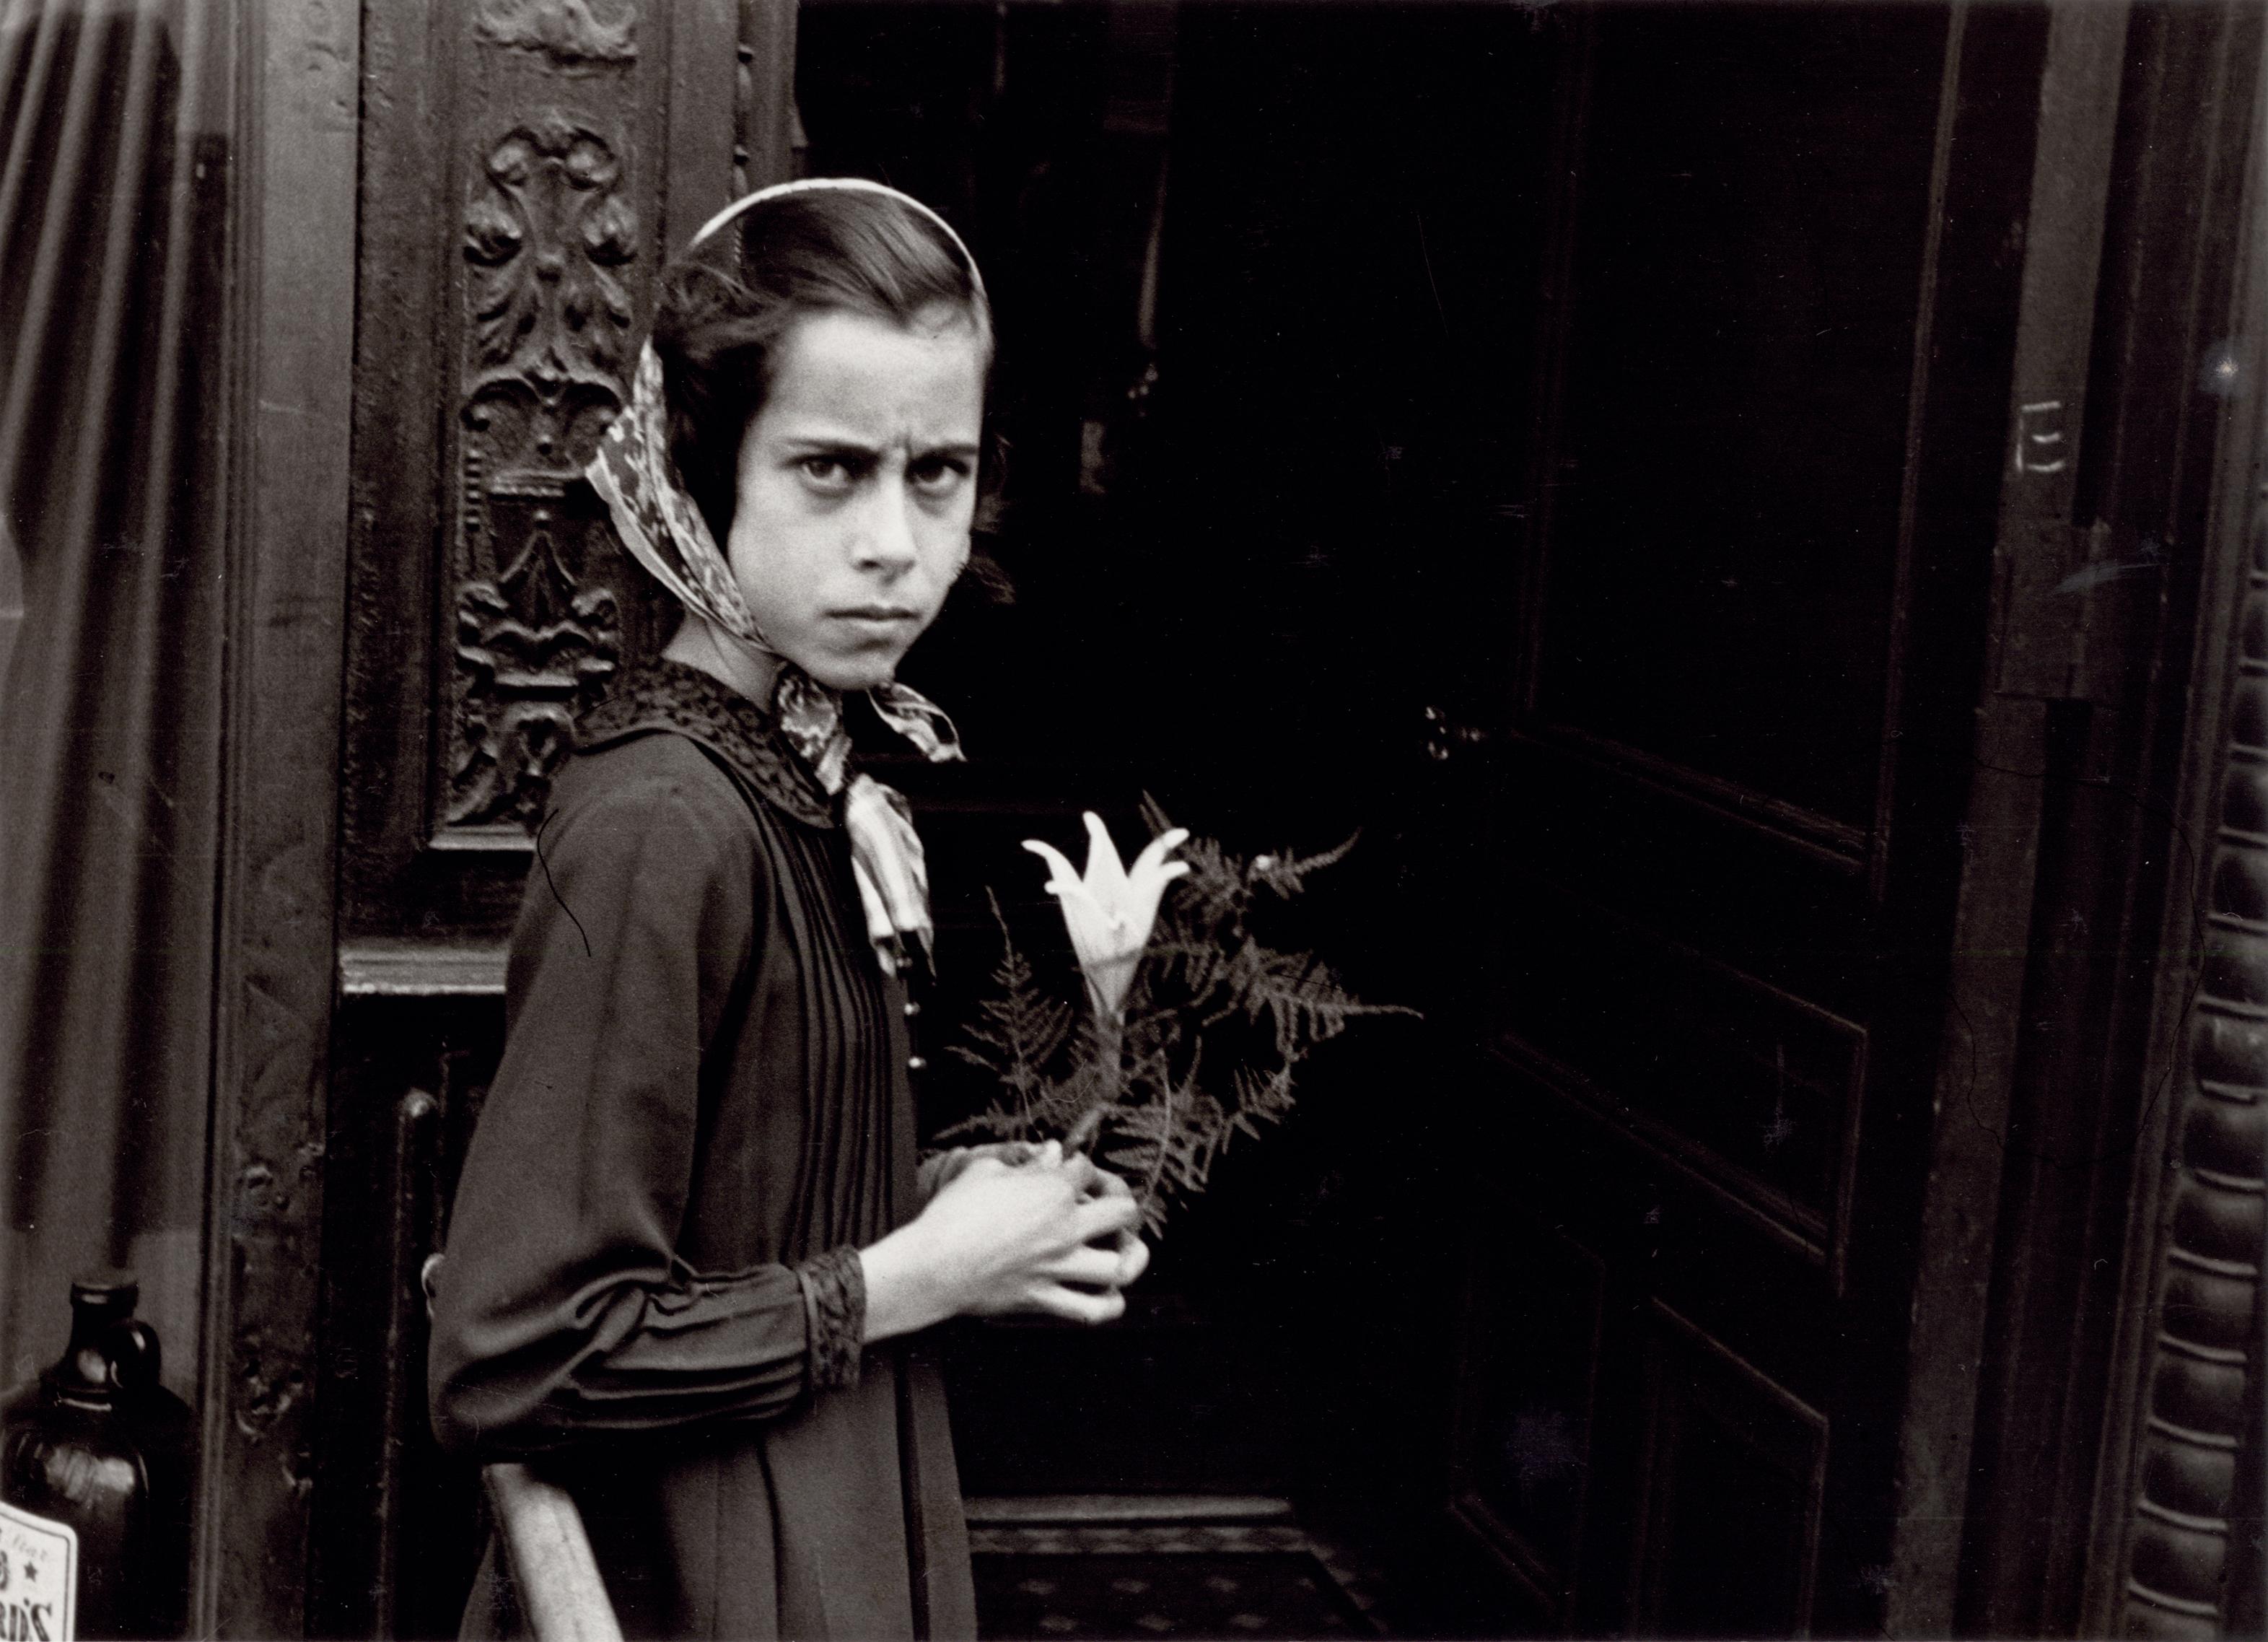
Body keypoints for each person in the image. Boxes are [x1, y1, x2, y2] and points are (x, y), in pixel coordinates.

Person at [427, 178, 1150, 1641]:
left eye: (935, 472)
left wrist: (950, 1215)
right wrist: (911, 1275)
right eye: (829, 470)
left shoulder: (799, 775)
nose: (894, 539)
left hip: (825, 1522)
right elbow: (512, 1354)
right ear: (703, 476)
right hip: (707, 1574)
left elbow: (736, 1217)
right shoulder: (662, 820)